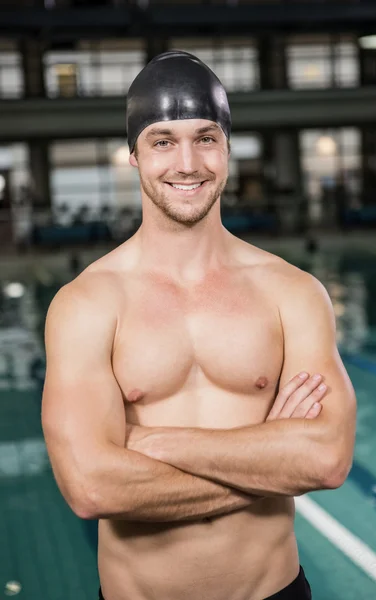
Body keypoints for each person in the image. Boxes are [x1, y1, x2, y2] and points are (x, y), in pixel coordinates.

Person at [42, 51, 357, 600]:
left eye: (206, 138)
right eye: (163, 141)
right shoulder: (87, 304)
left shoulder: (293, 293)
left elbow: (327, 459)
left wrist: (149, 443)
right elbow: (91, 488)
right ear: (135, 157)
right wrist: (269, 456)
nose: (187, 163)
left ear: (227, 148)